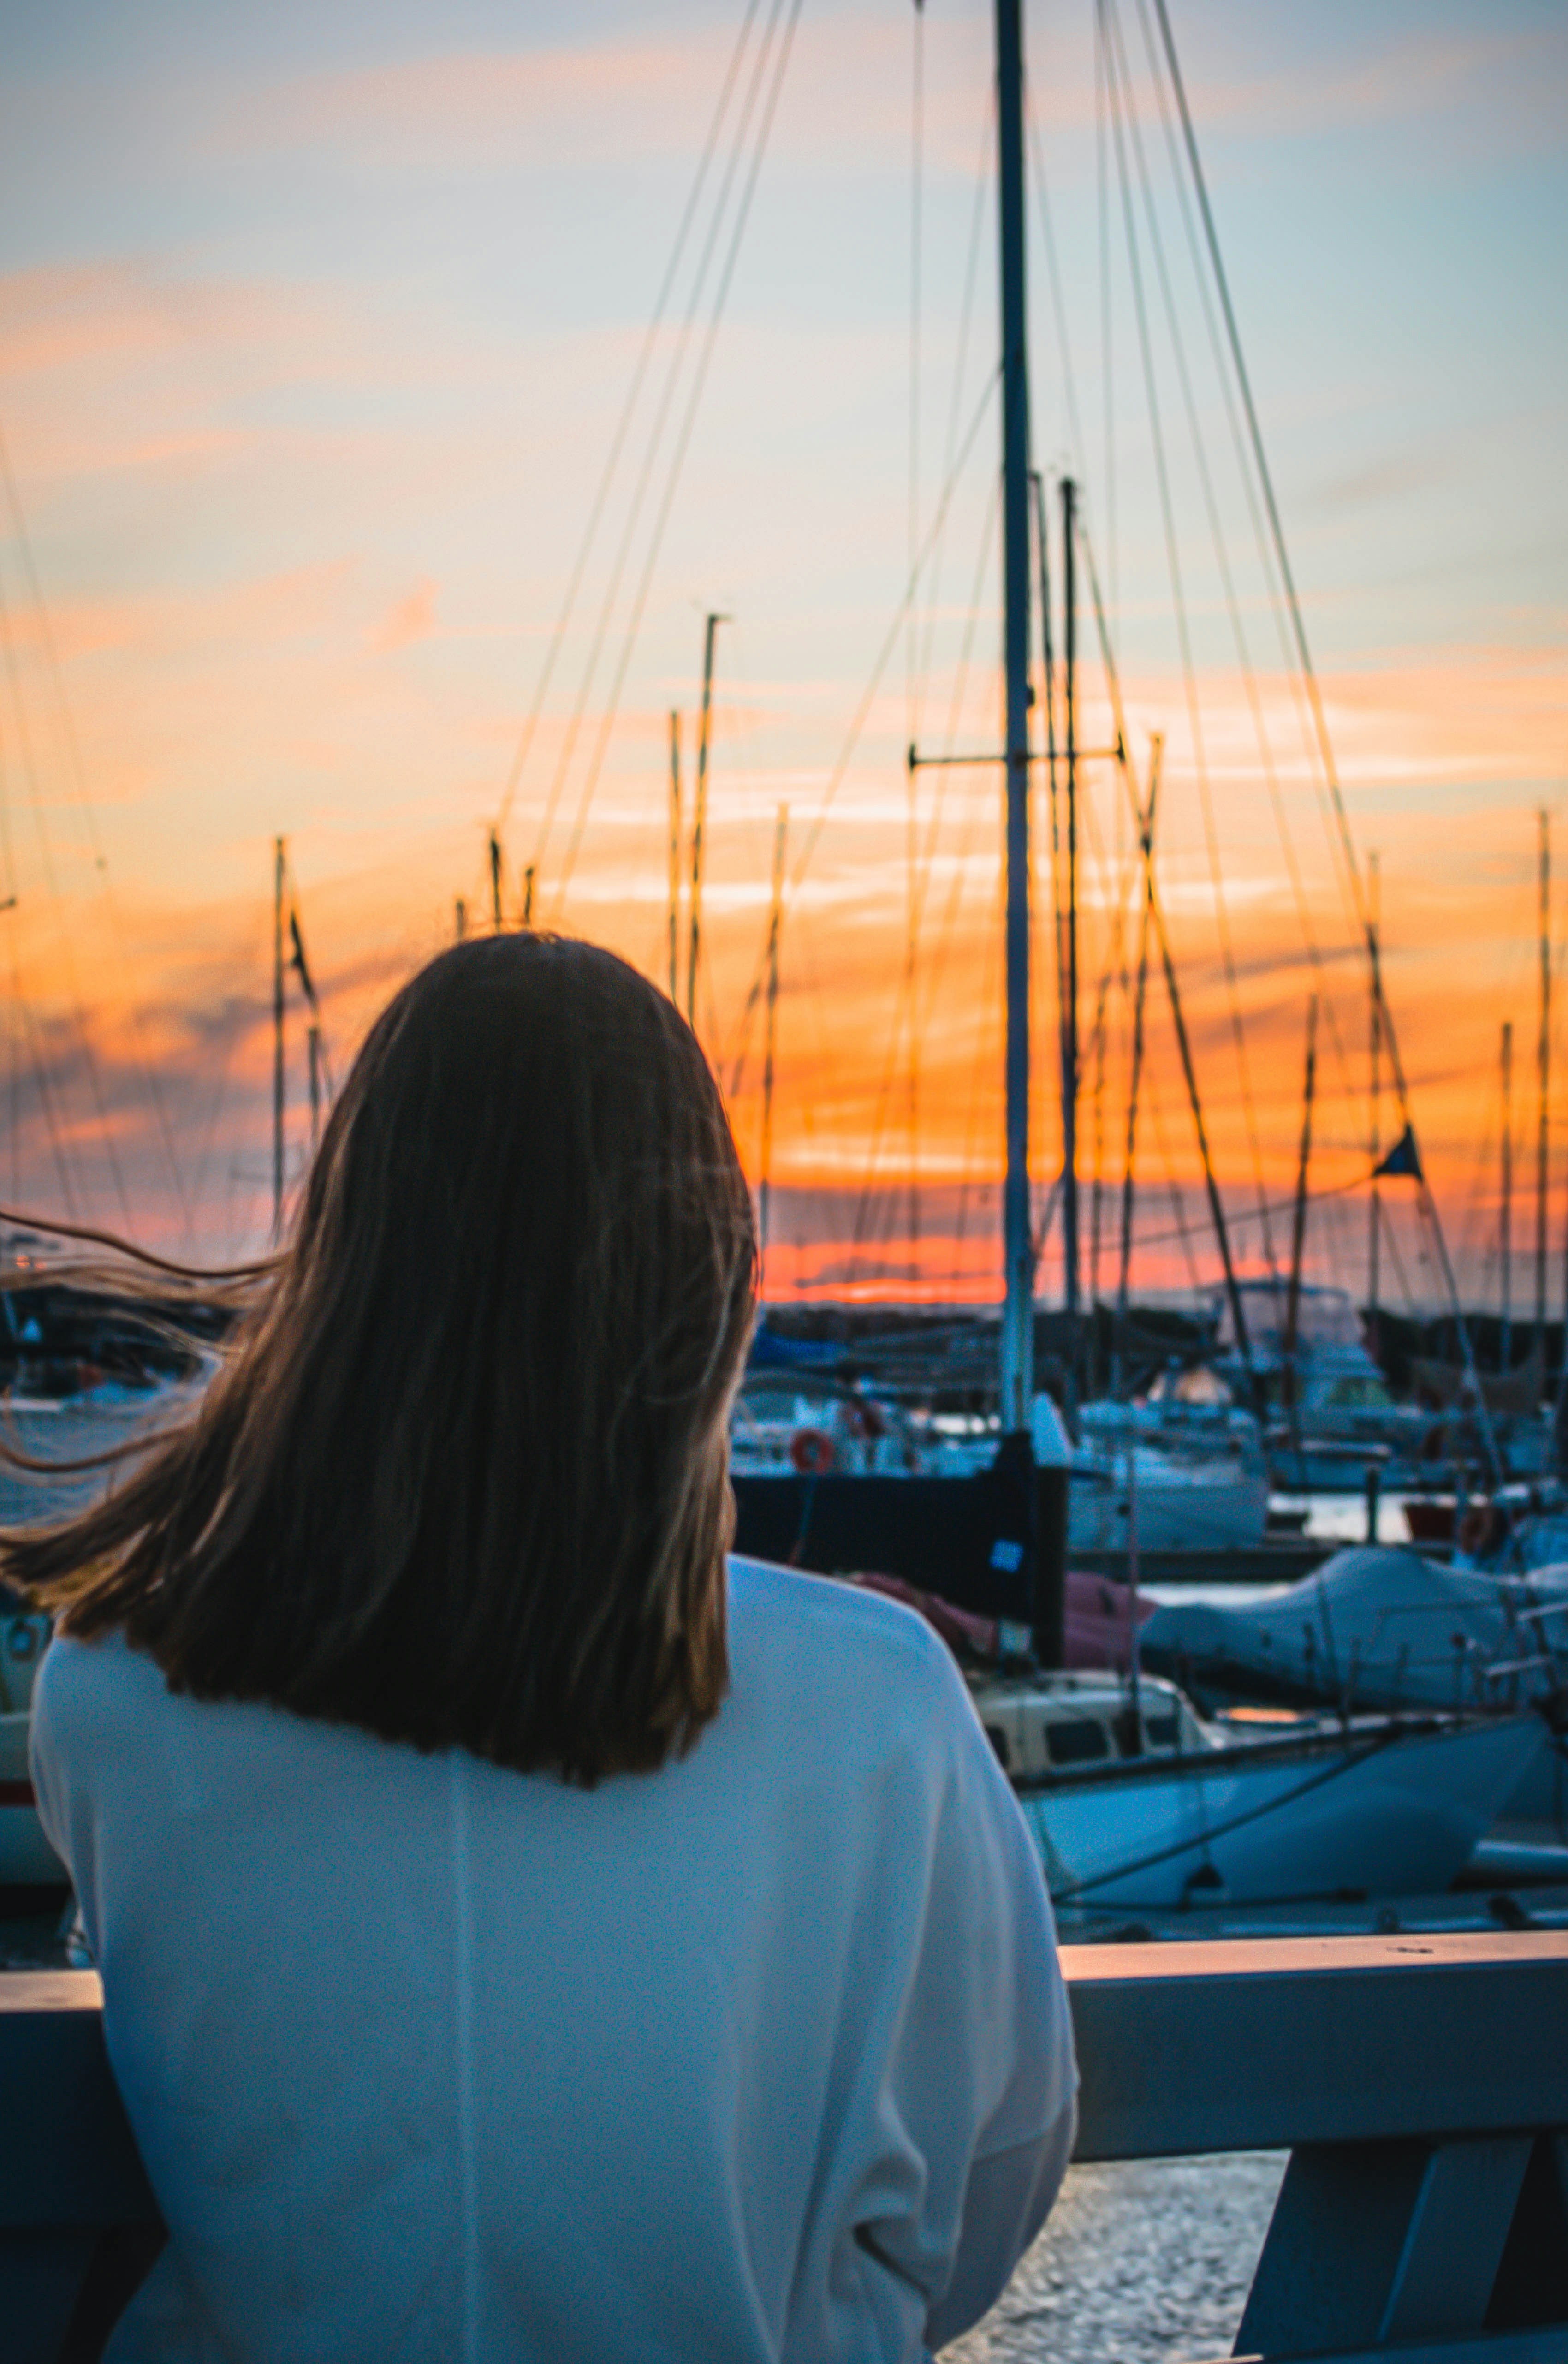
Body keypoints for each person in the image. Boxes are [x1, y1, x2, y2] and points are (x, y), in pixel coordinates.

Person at [19, 935, 1077, 2363]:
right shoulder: (876, 1699)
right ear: (708, 1277)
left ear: (344, 1264)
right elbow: (994, 2169)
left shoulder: (113, 1693)